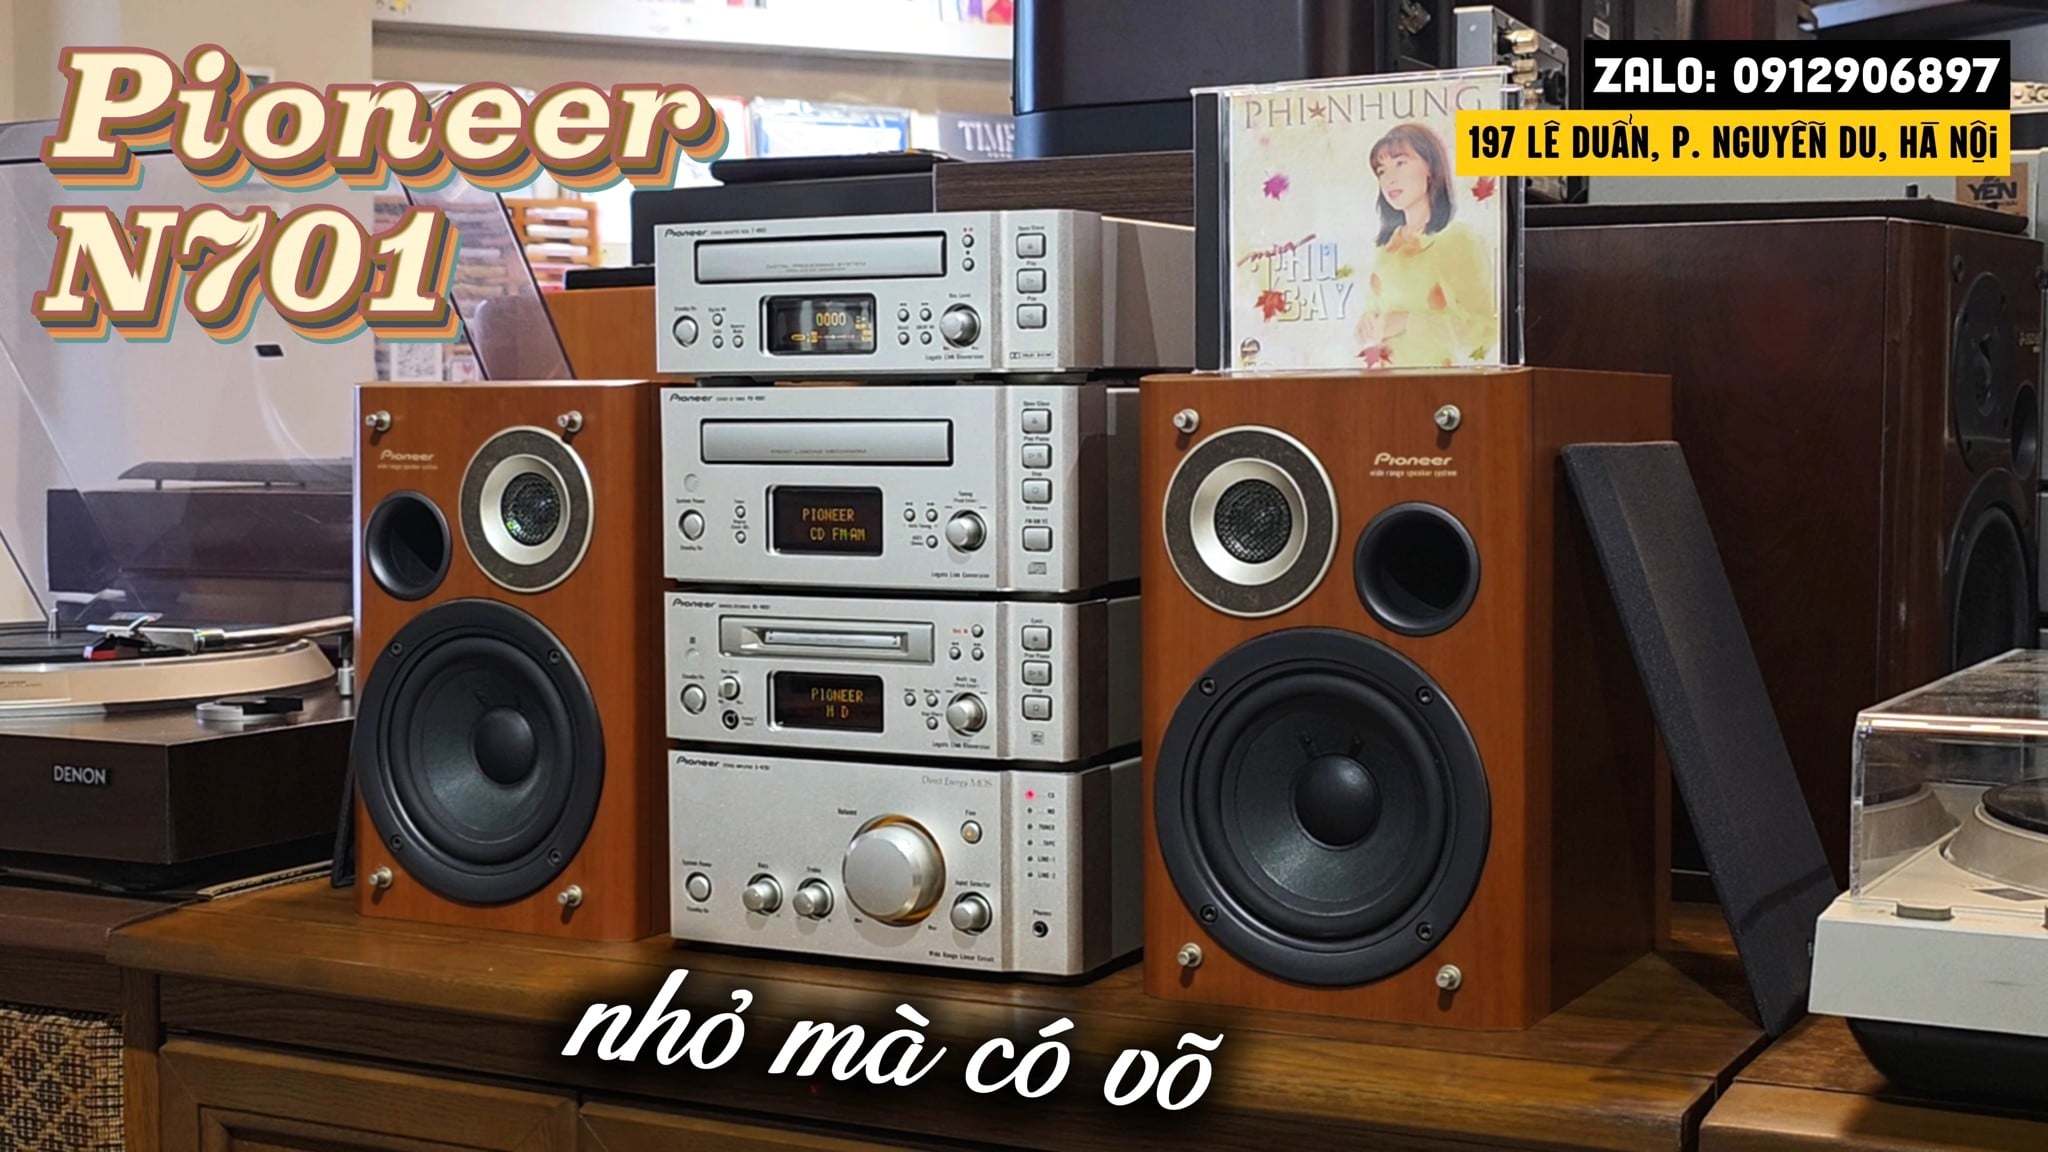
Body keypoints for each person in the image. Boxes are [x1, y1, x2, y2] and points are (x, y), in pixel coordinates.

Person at [1354, 122, 1498, 368]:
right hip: (1387, 383)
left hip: (1444, 383)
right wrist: (1366, 323)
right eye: (1381, 171)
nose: (1389, 179)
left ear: (1430, 167)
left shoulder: (1457, 240)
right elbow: (1374, 315)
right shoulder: (1386, 249)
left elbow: (1485, 331)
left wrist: (1408, 322)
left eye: (1401, 163)